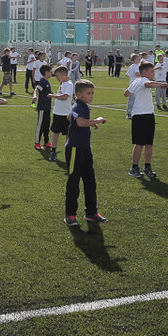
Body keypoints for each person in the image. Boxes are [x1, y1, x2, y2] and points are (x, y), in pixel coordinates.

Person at [64, 79, 108, 227]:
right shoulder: (78, 105)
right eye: (88, 93)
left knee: (90, 181)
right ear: (78, 94)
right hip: (75, 149)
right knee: (73, 183)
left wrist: (91, 122)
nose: (91, 96)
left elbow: (71, 118)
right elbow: (79, 122)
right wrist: (97, 120)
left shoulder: (83, 106)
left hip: (85, 149)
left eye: (92, 93)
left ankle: (91, 213)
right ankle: (70, 214)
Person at [124, 61, 161, 178]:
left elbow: (126, 93)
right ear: (144, 72)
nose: (153, 73)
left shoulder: (136, 81)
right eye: (151, 71)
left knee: (149, 143)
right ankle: (134, 167)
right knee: (140, 143)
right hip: (140, 115)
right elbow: (148, 84)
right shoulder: (143, 80)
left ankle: (147, 167)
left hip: (149, 114)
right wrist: (161, 84)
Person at [48, 65, 75, 162]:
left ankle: (68, 153)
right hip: (58, 112)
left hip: (65, 114)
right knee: (55, 132)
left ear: (64, 74)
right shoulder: (63, 83)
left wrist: (52, 95)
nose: (56, 78)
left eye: (58, 75)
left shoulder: (68, 84)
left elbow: (64, 97)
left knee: (68, 134)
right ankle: (53, 151)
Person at [31, 63, 54, 152]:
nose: (51, 73)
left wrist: (58, 95)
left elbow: (50, 93)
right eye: (50, 72)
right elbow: (36, 89)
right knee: (40, 125)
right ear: (46, 72)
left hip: (48, 107)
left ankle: (46, 141)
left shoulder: (47, 82)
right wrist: (34, 96)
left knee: (46, 124)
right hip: (42, 107)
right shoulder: (42, 81)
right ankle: (37, 143)